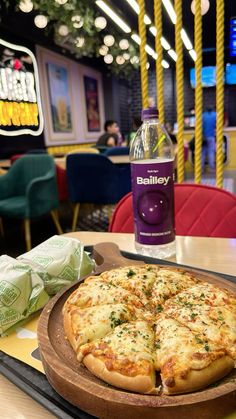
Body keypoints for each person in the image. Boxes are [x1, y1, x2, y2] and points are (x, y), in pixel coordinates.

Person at [202, 107, 216, 172]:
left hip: (203, 137)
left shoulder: (203, 115)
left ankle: (201, 169)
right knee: (211, 153)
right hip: (211, 136)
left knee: (202, 153)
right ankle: (211, 168)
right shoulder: (215, 114)